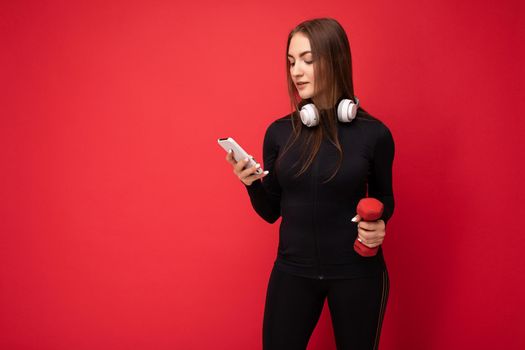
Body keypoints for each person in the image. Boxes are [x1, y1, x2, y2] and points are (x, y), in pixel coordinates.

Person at [224, 18, 395, 350]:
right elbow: (271, 211)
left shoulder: (375, 134)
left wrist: (381, 220)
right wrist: (251, 184)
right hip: (293, 272)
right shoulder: (279, 134)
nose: (295, 72)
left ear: (334, 59)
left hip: (357, 273)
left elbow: (384, 196)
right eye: (291, 62)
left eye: (307, 60)